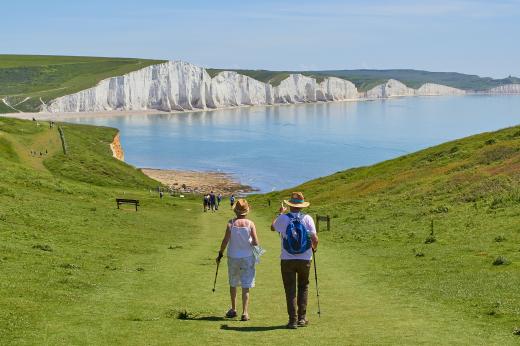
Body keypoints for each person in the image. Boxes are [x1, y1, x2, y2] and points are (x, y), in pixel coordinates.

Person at [271, 192, 318, 329]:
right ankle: (302, 319)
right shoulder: (308, 218)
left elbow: (272, 227)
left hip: (287, 259)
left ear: (289, 205)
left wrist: (280, 214)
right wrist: (313, 249)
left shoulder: (284, 218)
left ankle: (293, 321)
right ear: (302, 206)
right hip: (305, 258)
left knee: (290, 289)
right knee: (303, 287)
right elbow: (315, 239)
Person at [216, 199, 259, 321]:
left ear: (236, 211)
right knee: (246, 285)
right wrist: (252, 246)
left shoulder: (231, 223)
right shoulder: (250, 224)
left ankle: (234, 309)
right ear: (246, 211)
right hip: (247, 257)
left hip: (233, 257)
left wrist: (220, 254)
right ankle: (245, 312)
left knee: (233, 283)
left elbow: (225, 241)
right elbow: (256, 243)